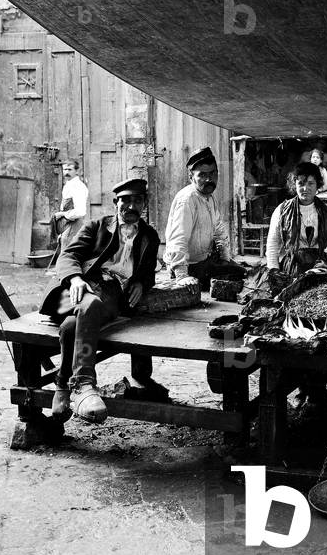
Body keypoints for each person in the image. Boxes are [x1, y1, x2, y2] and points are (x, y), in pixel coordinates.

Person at [38, 177, 161, 424]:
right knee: (89, 305)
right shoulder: (96, 226)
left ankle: (62, 383)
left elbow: (148, 273)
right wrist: (75, 279)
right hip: (80, 288)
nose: (131, 206)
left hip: (113, 293)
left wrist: (140, 283)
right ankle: (84, 383)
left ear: (144, 204)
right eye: (125, 200)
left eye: (137, 201)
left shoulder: (150, 236)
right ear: (116, 203)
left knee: (71, 326)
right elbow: (68, 255)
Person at [164, 147, 244, 290]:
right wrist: (182, 276)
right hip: (189, 266)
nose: (209, 179)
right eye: (202, 175)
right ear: (191, 177)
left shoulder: (209, 197)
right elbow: (178, 239)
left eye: (213, 173)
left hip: (204, 261)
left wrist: (225, 258)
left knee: (240, 272)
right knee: (235, 277)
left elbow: (219, 230)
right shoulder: (187, 200)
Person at [266, 161, 327, 276]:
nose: (305, 188)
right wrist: (274, 271)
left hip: (319, 268)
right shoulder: (281, 210)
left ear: (317, 185)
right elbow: (273, 244)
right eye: (301, 183)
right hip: (291, 269)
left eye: (311, 183)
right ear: (294, 184)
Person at [54, 158, 89, 251]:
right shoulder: (69, 184)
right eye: (65, 169)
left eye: (70, 169)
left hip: (74, 226)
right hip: (66, 227)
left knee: (68, 254)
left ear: (76, 171)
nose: (66, 172)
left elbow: (80, 212)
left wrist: (62, 214)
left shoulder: (78, 186)